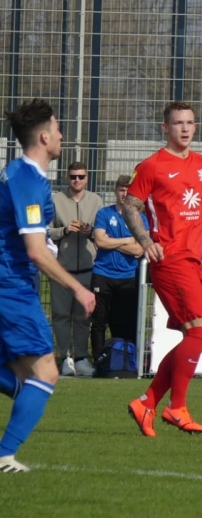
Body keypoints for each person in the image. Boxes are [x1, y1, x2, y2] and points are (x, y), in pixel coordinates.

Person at [122, 101, 202, 437]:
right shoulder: (152, 166)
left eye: (190, 122)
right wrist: (146, 240)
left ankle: (147, 402)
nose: (185, 129)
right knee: (201, 332)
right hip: (170, 259)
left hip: (192, 259)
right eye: (178, 123)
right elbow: (129, 206)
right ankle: (176, 407)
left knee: (197, 334)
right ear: (166, 128)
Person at [0, 98, 96, 472]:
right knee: (47, 372)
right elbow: (36, 252)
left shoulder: (19, 174)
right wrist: (79, 288)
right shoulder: (26, 179)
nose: (61, 134)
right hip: (11, 284)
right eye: (57, 128)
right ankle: (4, 455)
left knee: (25, 378)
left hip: (10, 280)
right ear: (43, 137)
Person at [49, 161, 102, 376]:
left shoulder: (96, 201)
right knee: (61, 315)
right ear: (67, 178)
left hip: (88, 268)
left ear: (87, 178)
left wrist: (90, 231)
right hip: (61, 269)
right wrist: (64, 230)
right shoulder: (56, 200)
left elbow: (101, 231)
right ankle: (65, 358)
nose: (77, 180)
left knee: (83, 316)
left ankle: (81, 358)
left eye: (81, 176)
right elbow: (46, 232)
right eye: (73, 177)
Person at [90, 174, 148, 359]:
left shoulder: (141, 219)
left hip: (128, 276)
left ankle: (123, 359)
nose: (125, 194)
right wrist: (126, 240)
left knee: (124, 321)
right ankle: (99, 360)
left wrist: (111, 241)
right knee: (99, 321)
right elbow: (100, 241)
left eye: (128, 191)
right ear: (115, 190)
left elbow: (139, 249)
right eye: (122, 190)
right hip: (102, 273)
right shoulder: (104, 213)